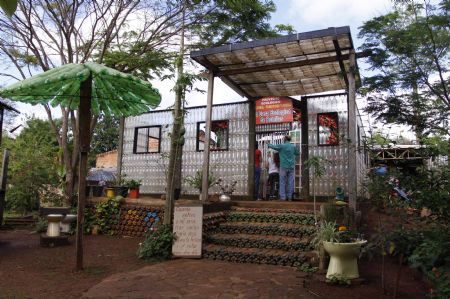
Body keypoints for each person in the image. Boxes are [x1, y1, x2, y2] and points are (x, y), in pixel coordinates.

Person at [268, 135, 300, 201]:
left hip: (283, 166)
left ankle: (283, 197)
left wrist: (269, 144)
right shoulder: (292, 146)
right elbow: (298, 153)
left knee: (282, 182)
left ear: (285, 139)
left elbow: (274, 147)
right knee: (290, 182)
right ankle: (290, 197)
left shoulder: (282, 146)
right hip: (291, 166)